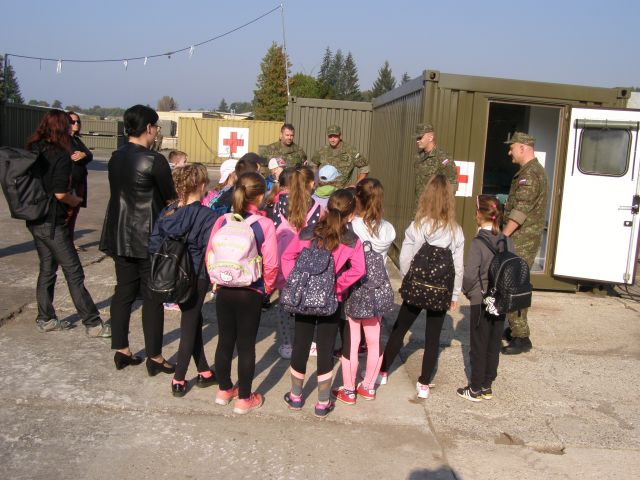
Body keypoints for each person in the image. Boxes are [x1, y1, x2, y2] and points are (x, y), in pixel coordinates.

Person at [99, 105, 176, 372]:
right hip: (148, 236)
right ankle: (155, 356)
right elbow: (170, 198)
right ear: (149, 128)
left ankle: (121, 349)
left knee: (124, 291)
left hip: (119, 233)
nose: (157, 132)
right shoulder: (154, 160)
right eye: (156, 127)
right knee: (152, 297)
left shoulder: (116, 156)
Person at [281, 189, 365, 418]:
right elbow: (359, 269)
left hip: (303, 298)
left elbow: (287, 257)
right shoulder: (351, 240)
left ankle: (295, 397)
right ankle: (322, 403)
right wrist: (337, 286)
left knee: (301, 344)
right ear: (350, 215)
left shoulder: (308, 232)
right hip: (331, 300)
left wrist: (296, 281)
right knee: (326, 348)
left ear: (327, 208)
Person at [25, 109, 109, 337]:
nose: (72, 127)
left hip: (35, 218)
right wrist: (75, 200)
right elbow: (60, 193)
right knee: (74, 272)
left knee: (47, 268)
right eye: (68, 123)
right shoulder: (60, 154)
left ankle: (45, 318)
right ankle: (93, 323)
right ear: (61, 127)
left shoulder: (34, 148)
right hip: (53, 221)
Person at [379, 175, 464, 399]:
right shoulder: (455, 231)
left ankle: (383, 371)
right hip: (440, 291)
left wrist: (409, 279)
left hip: (416, 287)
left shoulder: (418, 226)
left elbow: (405, 257)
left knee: (400, 329)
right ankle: (424, 383)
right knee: (433, 338)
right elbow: (458, 267)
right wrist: (454, 294)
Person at [209, 172, 278, 414]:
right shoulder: (264, 224)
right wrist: (267, 289)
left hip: (225, 288)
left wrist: (216, 282)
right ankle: (245, 398)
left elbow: (210, 254)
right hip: (251, 290)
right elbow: (271, 263)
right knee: (246, 345)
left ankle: (224, 390)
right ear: (259, 196)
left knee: (225, 341)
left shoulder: (223, 221)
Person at [149, 164, 218, 397]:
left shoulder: (168, 211)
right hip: (196, 275)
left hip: (170, 274)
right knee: (189, 324)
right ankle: (179, 379)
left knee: (194, 319)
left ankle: (204, 371)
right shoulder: (208, 216)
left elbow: (153, 244)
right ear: (202, 186)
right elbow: (210, 250)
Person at [333, 178, 396, 404]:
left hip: (354, 288)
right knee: (374, 340)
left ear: (357, 199)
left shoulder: (352, 227)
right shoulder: (388, 229)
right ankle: (368, 386)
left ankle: (349, 390)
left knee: (351, 340)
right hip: (378, 288)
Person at [458, 195, 514, 401]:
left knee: (478, 345)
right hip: (500, 300)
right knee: (493, 343)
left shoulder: (478, 242)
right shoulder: (507, 240)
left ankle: (474, 388)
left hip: (481, 299)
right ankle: (487, 385)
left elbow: (470, 274)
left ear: (479, 215)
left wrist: (468, 291)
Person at [501, 132, 548, 355]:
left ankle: (521, 337)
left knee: (515, 286)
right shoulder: (532, 171)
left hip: (521, 241)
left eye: (512, 148)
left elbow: (520, 212)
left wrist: (503, 236)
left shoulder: (530, 175)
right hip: (522, 239)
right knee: (515, 284)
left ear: (523, 148)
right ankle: (515, 329)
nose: (509, 152)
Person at [272, 166, 323, 359]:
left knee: (283, 305)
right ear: (310, 184)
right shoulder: (317, 207)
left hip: (283, 261)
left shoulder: (278, 205)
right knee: (308, 304)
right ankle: (308, 343)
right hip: (307, 263)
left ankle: (286, 344)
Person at [66, 111, 93, 251]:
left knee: (74, 212)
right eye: (73, 121)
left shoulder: (76, 139)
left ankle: (69, 241)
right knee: (68, 213)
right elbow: (71, 157)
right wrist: (82, 155)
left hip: (79, 181)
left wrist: (84, 155)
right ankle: (64, 243)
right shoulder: (63, 140)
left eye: (78, 121)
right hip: (70, 182)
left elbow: (89, 155)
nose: (76, 124)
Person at [413, 123, 458, 201]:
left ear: (430, 138)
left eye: (420, 138)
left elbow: (452, 183)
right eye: (417, 138)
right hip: (420, 204)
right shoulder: (418, 157)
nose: (417, 141)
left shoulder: (443, 158)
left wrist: (443, 204)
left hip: (435, 205)